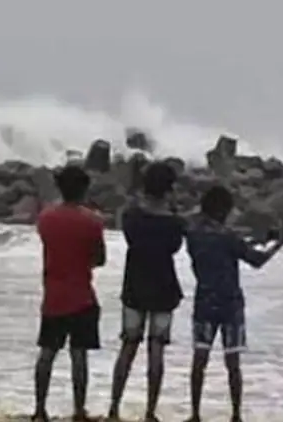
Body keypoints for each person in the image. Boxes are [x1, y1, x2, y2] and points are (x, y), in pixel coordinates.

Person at [184, 186, 283, 422]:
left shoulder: (195, 235)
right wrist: (278, 244)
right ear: (223, 210)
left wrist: (250, 240)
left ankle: (195, 414)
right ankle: (236, 415)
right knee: (232, 363)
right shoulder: (229, 237)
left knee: (199, 359)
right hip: (230, 303)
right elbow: (256, 260)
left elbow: (225, 245)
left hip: (204, 301)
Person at [108, 161, 187, 422]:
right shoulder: (173, 222)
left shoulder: (133, 216)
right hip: (164, 287)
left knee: (128, 346)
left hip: (134, 285)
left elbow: (128, 233)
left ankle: (114, 408)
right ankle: (150, 412)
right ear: (169, 189)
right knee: (156, 350)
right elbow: (175, 248)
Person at [32, 165, 106, 422]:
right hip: (82, 295)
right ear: (84, 189)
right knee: (79, 355)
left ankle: (40, 409)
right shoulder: (93, 221)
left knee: (47, 353)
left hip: (53, 294)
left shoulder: (46, 218)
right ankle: (78, 410)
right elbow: (100, 259)